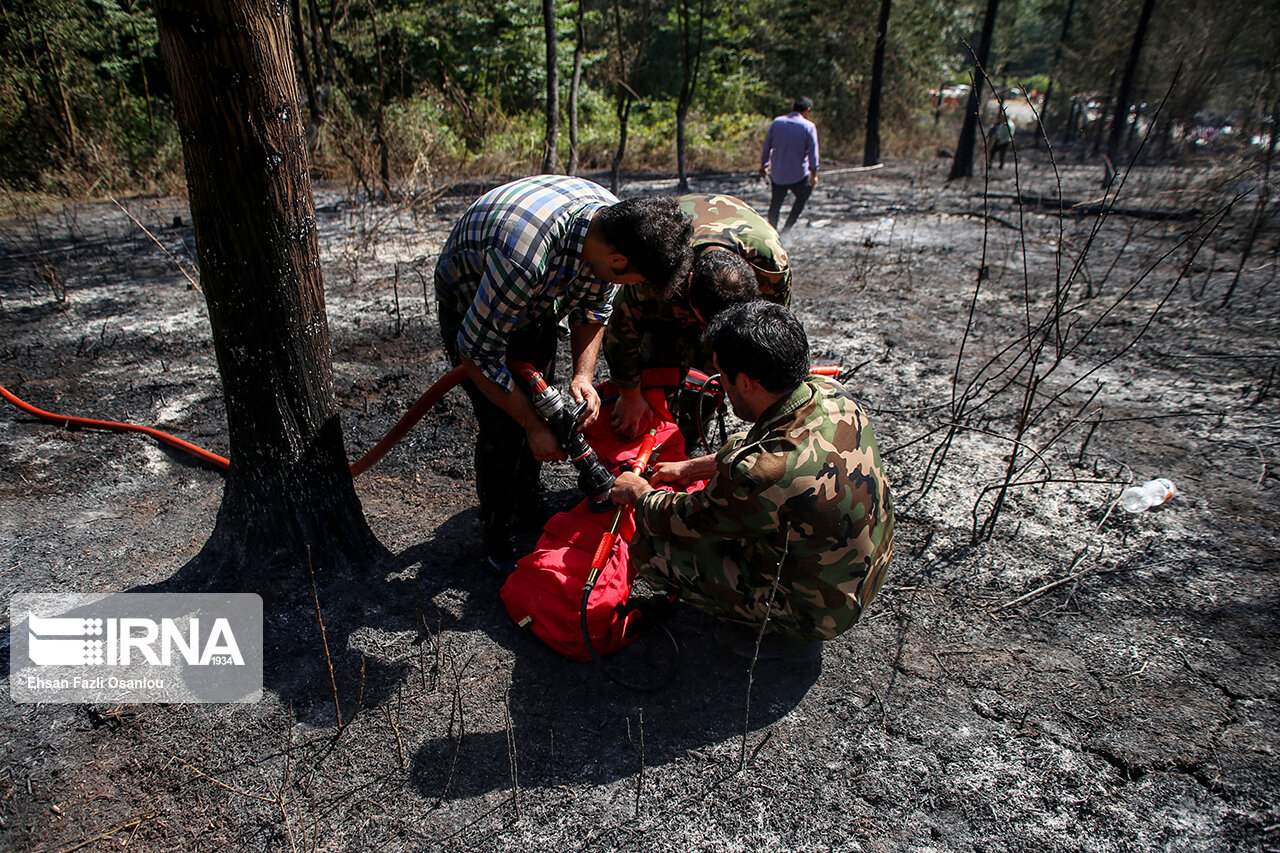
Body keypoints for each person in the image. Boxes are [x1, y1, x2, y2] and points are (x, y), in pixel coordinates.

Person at [435, 174, 693, 563]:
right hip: (475, 306)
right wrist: (532, 426)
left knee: (540, 404)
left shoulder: (609, 226)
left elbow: (593, 309)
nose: (635, 287)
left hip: (534, 301)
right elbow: (477, 352)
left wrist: (582, 376)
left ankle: (528, 503)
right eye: (637, 280)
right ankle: (497, 536)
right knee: (504, 425)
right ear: (619, 261)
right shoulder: (523, 259)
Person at [610, 302, 894, 642]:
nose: (723, 389)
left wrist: (639, 493)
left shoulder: (757, 476)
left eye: (723, 377)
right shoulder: (832, 394)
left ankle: (773, 631)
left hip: (819, 612)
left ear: (745, 382)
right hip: (866, 573)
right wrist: (691, 467)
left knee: (650, 548)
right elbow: (758, 443)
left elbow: (685, 521)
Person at [605, 192, 792, 442]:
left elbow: (772, 334)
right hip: (672, 279)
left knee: (708, 381)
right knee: (656, 369)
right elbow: (622, 327)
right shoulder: (659, 267)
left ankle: (689, 438)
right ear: (688, 285)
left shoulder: (769, 268)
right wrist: (629, 394)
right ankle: (653, 435)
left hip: (732, 244)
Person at [759, 97, 820, 232]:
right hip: (798, 175)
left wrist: (764, 165)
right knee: (802, 197)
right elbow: (813, 152)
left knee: (775, 204)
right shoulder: (808, 126)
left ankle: (772, 232)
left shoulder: (777, 122)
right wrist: (814, 173)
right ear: (807, 110)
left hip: (778, 174)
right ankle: (787, 229)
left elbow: (767, 146)